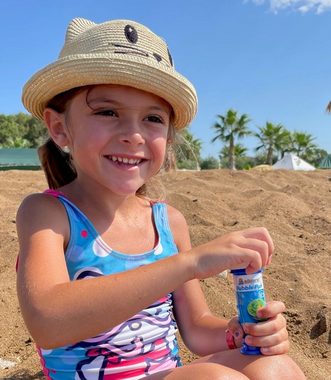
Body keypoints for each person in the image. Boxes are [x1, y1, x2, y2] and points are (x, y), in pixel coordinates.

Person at [17, 17, 306, 380]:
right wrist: (189, 263)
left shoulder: (168, 221)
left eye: (153, 118)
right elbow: (48, 321)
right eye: (107, 112)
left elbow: (198, 329)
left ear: (168, 137)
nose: (133, 134)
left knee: (278, 366)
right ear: (60, 128)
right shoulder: (48, 212)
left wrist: (240, 332)